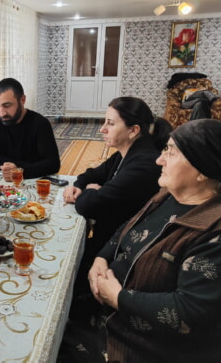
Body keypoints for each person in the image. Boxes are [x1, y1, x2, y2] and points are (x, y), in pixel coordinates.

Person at [59, 119, 221, 363]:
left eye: (171, 152)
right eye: (165, 149)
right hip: (106, 316)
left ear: (203, 170)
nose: (159, 160)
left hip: (139, 346)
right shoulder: (170, 195)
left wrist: (118, 298)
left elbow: (191, 313)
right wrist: (101, 258)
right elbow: (129, 227)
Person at [63, 97, 172, 301]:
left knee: (63, 264)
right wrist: (81, 185)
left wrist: (90, 191)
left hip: (118, 251)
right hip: (109, 235)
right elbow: (91, 174)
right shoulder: (127, 151)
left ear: (133, 130)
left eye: (110, 123)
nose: (102, 129)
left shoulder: (143, 164)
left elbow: (89, 205)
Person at [0, 78, 60, 180]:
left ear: (22, 100)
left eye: (7, 105)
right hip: (1, 180)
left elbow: (53, 164)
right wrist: (30, 167)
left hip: (32, 181)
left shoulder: (40, 123)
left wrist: (19, 171)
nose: (2, 113)